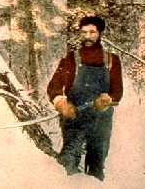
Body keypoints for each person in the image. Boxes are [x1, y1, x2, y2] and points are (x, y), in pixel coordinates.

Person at [47, 15, 123, 181]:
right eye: (84, 32)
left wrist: (106, 99)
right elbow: (53, 87)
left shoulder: (112, 60)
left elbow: (117, 92)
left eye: (92, 32)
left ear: (100, 33)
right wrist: (61, 103)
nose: (87, 37)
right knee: (67, 163)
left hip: (101, 122)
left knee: (96, 167)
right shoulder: (70, 59)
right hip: (74, 119)